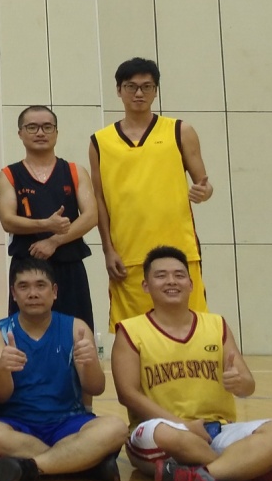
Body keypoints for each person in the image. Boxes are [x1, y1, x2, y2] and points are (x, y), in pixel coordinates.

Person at [112, 246, 272, 481]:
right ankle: (247, 468)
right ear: (146, 286)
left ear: (191, 285)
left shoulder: (216, 324)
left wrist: (239, 382)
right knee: (169, 435)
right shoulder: (130, 330)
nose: (171, 281)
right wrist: (182, 425)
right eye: (161, 276)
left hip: (218, 430)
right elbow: (127, 394)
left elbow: (248, 386)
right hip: (164, 429)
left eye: (179, 275)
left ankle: (203, 475)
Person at [0, 259, 127, 481]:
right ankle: (84, 464)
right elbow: (0, 395)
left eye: (41, 285)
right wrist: (3, 368)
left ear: (54, 291)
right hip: (18, 426)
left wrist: (89, 364)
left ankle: (31, 467)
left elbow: (96, 388)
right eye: (24, 287)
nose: (33, 293)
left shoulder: (76, 327)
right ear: (13, 294)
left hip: (68, 423)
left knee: (116, 427)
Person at [91, 58, 213, 330]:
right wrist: (108, 250)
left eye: (147, 87)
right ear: (118, 90)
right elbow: (99, 199)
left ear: (156, 91)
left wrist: (203, 192)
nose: (139, 93)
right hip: (128, 255)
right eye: (131, 86)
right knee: (133, 333)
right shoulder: (100, 141)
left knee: (191, 327)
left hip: (180, 251)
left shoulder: (180, 130)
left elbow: (204, 184)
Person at [0, 105, 98, 329]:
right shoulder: (9, 175)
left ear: (56, 132)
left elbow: (91, 216)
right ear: (20, 133)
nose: (40, 133)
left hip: (69, 265)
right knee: (24, 333)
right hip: (27, 267)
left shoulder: (75, 171)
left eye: (47, 127)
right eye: (32, 127)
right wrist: (46, 224)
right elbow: (7, 220)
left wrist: (54, 241)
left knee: (77, 331)